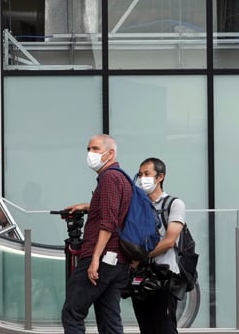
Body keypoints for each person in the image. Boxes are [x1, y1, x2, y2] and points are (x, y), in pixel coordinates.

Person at [60, 134, 132, 334]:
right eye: (88, 149)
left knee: (72, 312)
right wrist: (88, 205)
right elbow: (116, 208)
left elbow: (108, 222)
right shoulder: (122, 178)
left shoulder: (109, 178)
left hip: (103, 256)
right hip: (118, 261)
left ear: (110, 153)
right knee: (109, 321)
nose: (90, 153)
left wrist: (94, 258)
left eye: (95, 149)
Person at [131, 158, 186, 334]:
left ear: (160, 176)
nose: (142, 178)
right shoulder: (137, 206)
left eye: (147, 174)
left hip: (165, 276)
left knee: (165, 327)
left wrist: (141, 256)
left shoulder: (174, 204)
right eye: (140, 175)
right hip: (140, 276)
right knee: (145, 327)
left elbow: (170, 240)